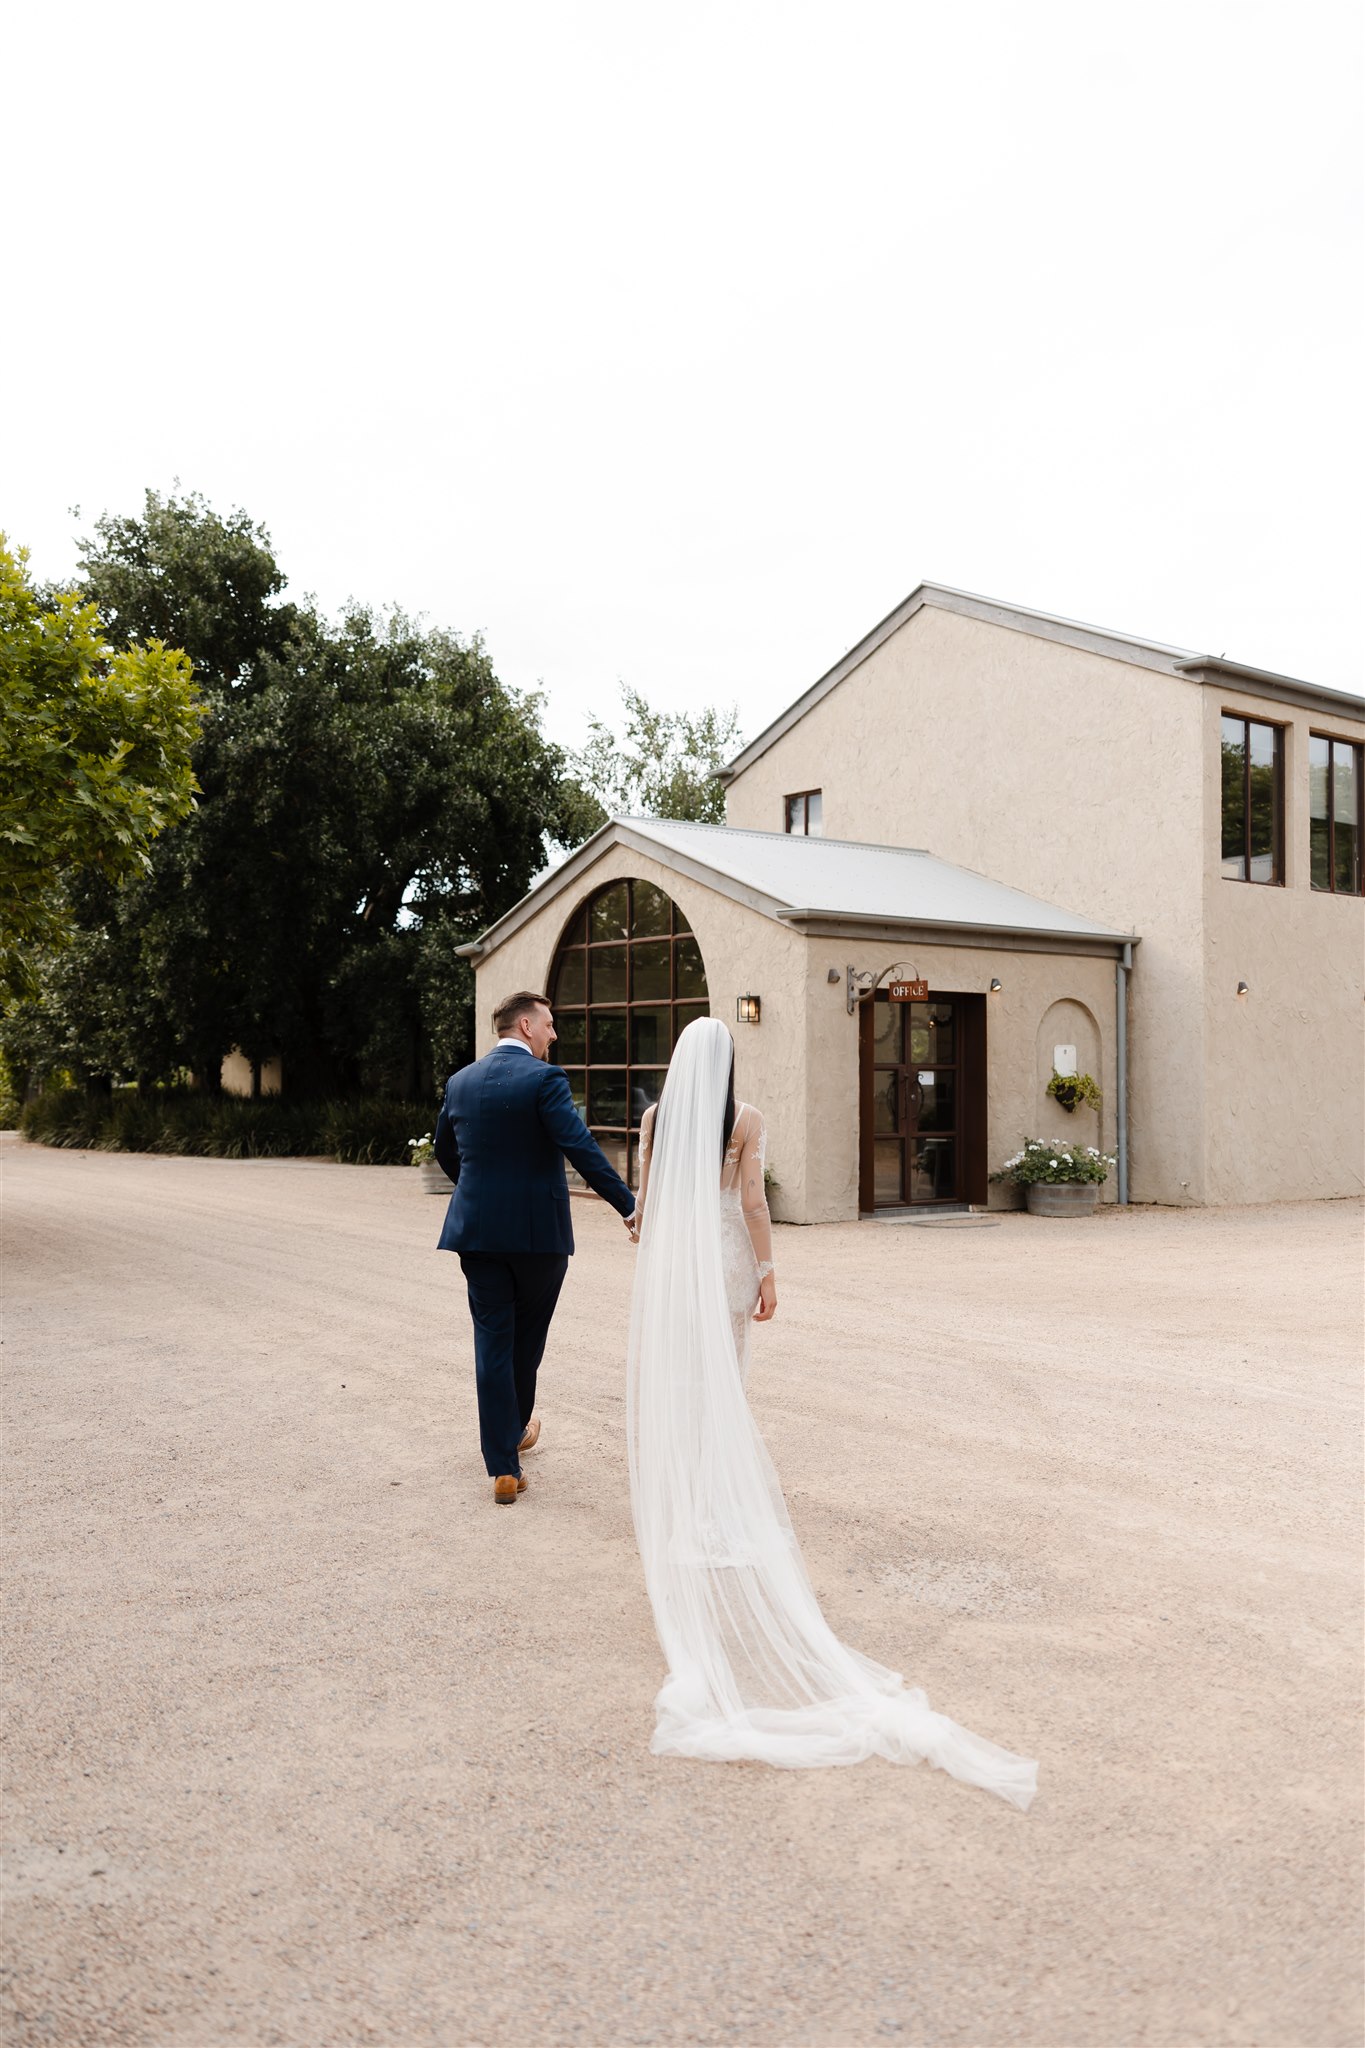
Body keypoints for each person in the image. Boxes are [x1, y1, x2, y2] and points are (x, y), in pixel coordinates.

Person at [625, 1016, 1037, 1807]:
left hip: (676, 1260)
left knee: (680, 1384)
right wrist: (770, 1272)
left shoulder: (654, 1118)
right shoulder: (743, 1121)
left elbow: (648, 1199)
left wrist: (645, 1231)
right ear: (730, 1063)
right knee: (726, 1386)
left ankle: (685, 1510)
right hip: (722, 1258)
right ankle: (716, 1511)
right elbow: (749, 1202)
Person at [434, 990, 636, 1505]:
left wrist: (477, 1194)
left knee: (492, 1341)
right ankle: (514, 1434)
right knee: (527, 1342)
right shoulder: (545, 1079)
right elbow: (579, 1144)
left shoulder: (461, 1081)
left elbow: (444, 1150)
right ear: (525, 1026)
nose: (553, 1034)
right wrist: (628, 1206)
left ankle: (505, 1463)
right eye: (548, 1025)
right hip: (538, 1235)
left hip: (476, 1233)